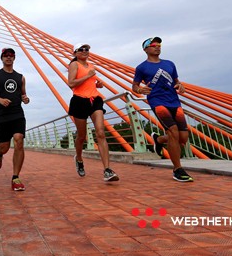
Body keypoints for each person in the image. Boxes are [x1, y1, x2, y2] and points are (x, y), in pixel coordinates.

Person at [132, 37, 193, 182]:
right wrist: (140, 90)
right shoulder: (141, 68)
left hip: (174, 102)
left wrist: (180, 86)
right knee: (173, 131)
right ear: (145, 49)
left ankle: (159, 140)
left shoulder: (170, 64)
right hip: (158, 101)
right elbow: (134, 87)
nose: (157, 47)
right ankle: (177, 169)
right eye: (153, 45)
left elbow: (177, 82)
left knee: (183, 138)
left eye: (159, 45)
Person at [68, 43, 119, 182]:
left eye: (87, 49)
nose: (85, 51)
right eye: (82, 50)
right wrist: (88, 76)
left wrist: (96, 84)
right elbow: (71, 83)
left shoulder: (91, 65)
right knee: (81, 136)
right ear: (75, 53)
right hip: (79, 101)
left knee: (101, 133)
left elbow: (87, 82)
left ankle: (107, 170)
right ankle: (78, 158)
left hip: (95, 99)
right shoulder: (74, 65)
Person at [0, 47, 30, 191]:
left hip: (17, 114)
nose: (8, 57)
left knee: (19, 140)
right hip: (2, 116)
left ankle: (15, 177)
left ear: (14, 58)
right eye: (5, 55)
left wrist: (25, 98)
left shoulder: (21, 77)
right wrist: (0, 99)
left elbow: (23, 95)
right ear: (2, 58)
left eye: (11, 55)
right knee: (4, 147)